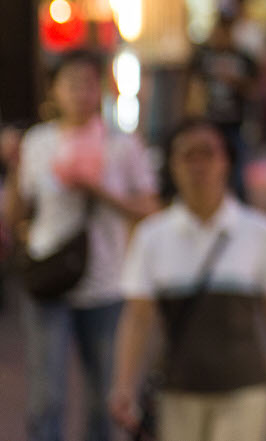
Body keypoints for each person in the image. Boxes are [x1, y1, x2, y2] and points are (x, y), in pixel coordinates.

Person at [108, 119, 266, 441]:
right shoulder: (153, 236)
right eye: (187, 155)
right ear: (172, 166)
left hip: (245, 387)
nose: (199, 165)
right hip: (177, 388)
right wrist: (123, 382)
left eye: (208, 153)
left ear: (226, 161)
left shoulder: (258, 231)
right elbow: (138, 317)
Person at [1, 50, 158, 441]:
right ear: (54, 91)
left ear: (100, 89)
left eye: (87, 84)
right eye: (70, 84)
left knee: (104, 394)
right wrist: (16, 168)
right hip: (49, 276)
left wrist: (98, 190)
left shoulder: (120, 145)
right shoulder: (39, 142)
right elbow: (15, 214)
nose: (79, 93)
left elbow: (149, 208)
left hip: (106, 283)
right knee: (46, 394)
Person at [186, 15, 258, 201]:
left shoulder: (242, 57)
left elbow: (254, 87)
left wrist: (236, 82)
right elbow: (192, 85)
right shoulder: (204, 56)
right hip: (209, 123)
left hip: (235, 123)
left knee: (238, 170)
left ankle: (241, 208)